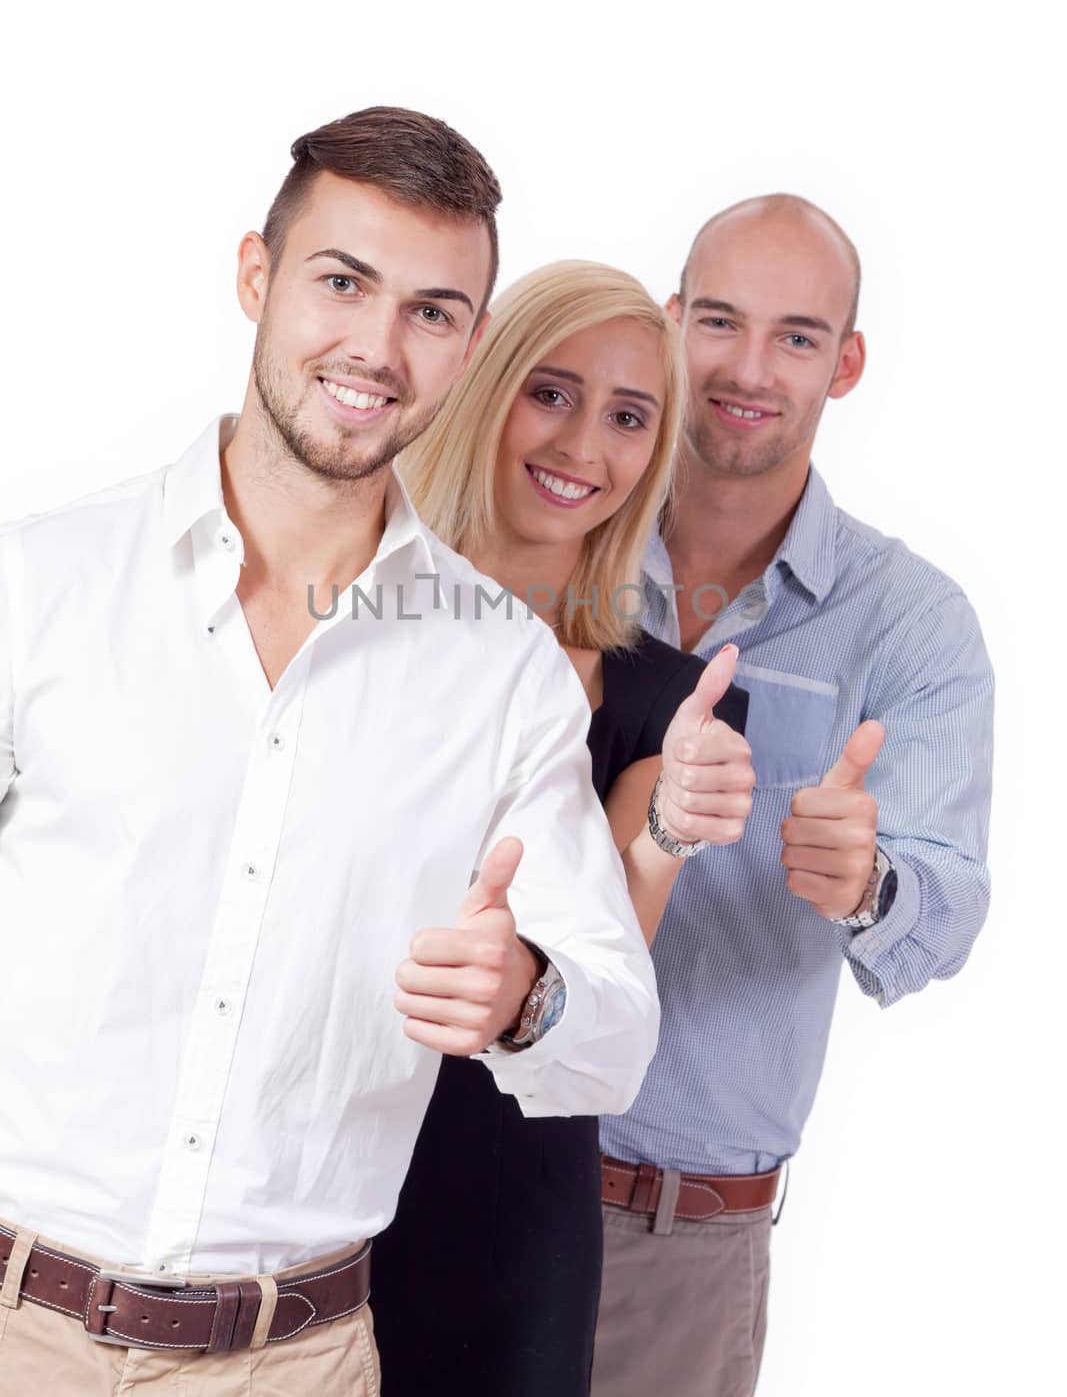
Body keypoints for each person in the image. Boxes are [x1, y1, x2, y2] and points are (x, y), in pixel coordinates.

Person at [0, 107, 694, 1395]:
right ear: (256, 276)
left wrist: (524, 996)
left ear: (467, 344)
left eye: (431, 310)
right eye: (341, 281)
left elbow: (615, 1034)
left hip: (294, 1361)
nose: (376, 348)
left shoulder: (499, 674)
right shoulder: (37, 588)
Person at [591, 194, 995, 1397]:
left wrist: (865, 878)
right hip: (454, 1166)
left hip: (669, 1236)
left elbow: (948, 910)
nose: (747, 369)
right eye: (717, 321)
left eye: (797, 336)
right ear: (667, 325)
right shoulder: (561, 532)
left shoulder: (911, 621)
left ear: (846, 361)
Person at [370, 260, 755, 1394]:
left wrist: (669, 828)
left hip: (505, 1193)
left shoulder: (663, 697)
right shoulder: (351, 620)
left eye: (629, 416)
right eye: (551, 391)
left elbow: (605, 960)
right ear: (484, 387)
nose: (583, 444)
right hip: (313, 1157)